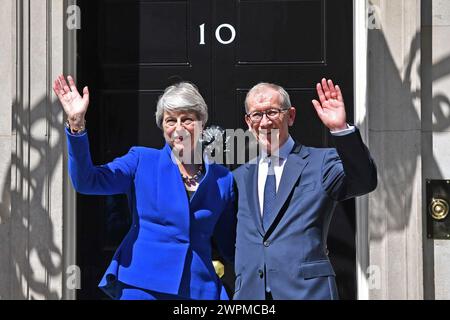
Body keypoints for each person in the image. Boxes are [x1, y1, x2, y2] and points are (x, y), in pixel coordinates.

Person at [53, 75, 236, 300]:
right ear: (162, 127)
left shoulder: (222, 179)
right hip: (143, 285)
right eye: (170, 121)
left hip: (199, 288)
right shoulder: (141, 161)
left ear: (201, 123)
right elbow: (87, 181)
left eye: (187, 119)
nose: (179, 128)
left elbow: (230, 244)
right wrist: (76, 124)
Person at [232, 79, 377, 300]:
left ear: (290, 116)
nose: (264, 122)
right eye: (257, 115)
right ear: (248, 121)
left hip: (307, 293)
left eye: (272, 112)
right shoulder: (239, 177)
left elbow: (363, 181)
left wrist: (340, 129)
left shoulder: (321, 162)